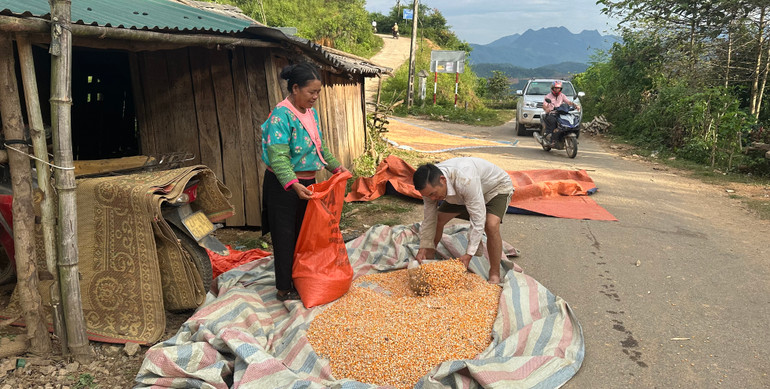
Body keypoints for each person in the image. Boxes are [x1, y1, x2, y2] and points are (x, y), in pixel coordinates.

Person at [261, 62, 349, 301]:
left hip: (308, 185)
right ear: (296, 88)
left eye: (318, 92)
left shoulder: (310, 113)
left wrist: (336, 167)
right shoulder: (280, 115)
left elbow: (319, 147)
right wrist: (292, 184)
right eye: (312, 92)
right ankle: (283, 288)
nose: (316, 97)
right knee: (285, 235)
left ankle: (301, 277)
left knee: (305, 235)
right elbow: (278, 156)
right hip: (284, 185)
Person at [412, 157, 514, 284]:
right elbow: (429, 218)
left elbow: (477, 219)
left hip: (495, 188)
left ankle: (494, 273)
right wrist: (424, 247)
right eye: (428, 196)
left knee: (490, 225)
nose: (432, 199)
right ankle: (429, 259)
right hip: (464, 193)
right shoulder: (429, 189)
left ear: (442, 180)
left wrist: (469, 254)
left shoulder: (465, 179)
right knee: (438, 219)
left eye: (433, 194)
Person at [542, 80, 580, 146]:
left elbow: (568, 102)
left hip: (561, 113)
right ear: (552, 88)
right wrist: (547, 109)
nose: (557, 89)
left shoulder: (562, 96)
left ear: (561, 89)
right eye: (555, 88)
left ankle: (567, 135)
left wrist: (575, 105)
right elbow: (544, 105)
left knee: (572, 120)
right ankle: (552, 139)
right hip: (552, 113)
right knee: (553, 122)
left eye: (558, 88)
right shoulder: (548, 96)